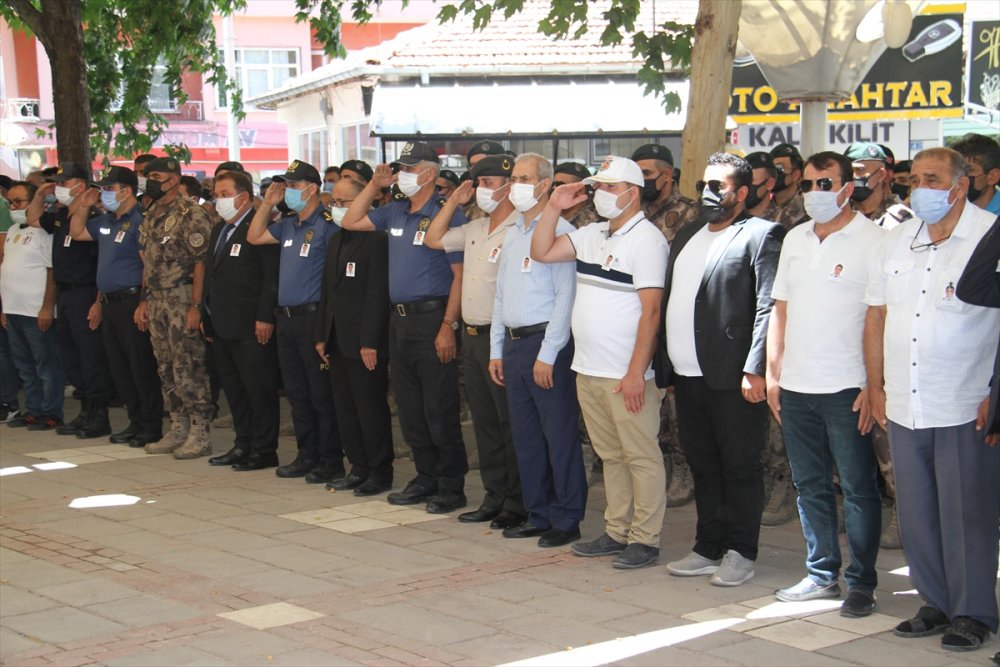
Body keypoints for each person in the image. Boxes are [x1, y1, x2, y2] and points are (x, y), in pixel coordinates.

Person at [865, 147, 1000, 652]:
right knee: (917, 510)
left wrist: (996, 393)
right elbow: (876, 315)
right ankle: (936, 602)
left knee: (967, 512)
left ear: (961, 185)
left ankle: (973, 611)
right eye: (915, 179)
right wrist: (874, 385)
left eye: (932, 179)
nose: (920, 188)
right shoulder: (896, 239)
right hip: (905, 398)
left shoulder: (989, 235)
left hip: (965, 398)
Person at [533, 156, 668, 568]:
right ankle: (617, 530)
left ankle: (645, 538)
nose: (601, 194)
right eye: (598, 187)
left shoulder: (647, 240)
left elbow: (651, 312)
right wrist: (554, 207)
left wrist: (635, 372)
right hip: (589, 368)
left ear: (633, 192)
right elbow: (542, 251)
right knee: (610, 455)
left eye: (610, 187)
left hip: (626, 374)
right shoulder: (591, 233)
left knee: (640, 456)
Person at [766, 151, 884, 617]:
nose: (815, 192)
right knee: (810, 485)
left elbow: (879, 318)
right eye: (808, 184)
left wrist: (874, 384)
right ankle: (821, 575)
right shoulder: (795, 237)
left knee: (858, 488)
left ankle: (862, 583)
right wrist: (773, 373)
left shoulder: (874, 240)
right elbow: (780, 308)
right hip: (796, 386)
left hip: (846, 388)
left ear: (847, 187)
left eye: (825, 183)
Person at [659, 152, 784, 586]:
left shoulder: (762, 235)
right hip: (686, 374)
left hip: (733, 376)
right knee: (703, 463)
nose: (708, 194)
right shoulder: (688, 233)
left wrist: (756, 369)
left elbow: (768, 306)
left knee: (740, 465)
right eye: (703, 186)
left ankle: (741, 552)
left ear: (743, 192)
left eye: (719, 186)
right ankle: (707, 546)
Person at [341, 141, 469, 514]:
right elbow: (350, 221)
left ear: (429, 173)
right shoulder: (395, 210)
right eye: (401, 168)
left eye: (410, 169)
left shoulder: (446, 213)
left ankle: (451, 484)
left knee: (439, 407)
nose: (402, 175)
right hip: (399, 320)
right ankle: (425, 477)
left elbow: (460, 276)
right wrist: (373, 185)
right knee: (410, 407)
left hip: (433, 317)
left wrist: (448, 325)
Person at [488, 153, 586, 543]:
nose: (516, 186)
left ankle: (567, 518)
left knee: (558, 437)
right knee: (526, 438)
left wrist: (548, 354)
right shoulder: (513, 231)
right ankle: (538, 512)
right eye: (514, 178)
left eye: (525, 178)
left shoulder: (561, 231)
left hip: (546, 345)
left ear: (545, 185)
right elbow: (501, 296)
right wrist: (496, 350)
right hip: (513, 346)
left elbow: (566, 298)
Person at [425, 154, 523, 525]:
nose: (481, 189)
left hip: (501, 339)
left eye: (488, 183)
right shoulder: (474, 227)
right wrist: (453, 200)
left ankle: (517, 501)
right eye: (479, 183)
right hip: (472, 336)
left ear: (509, 188)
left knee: (508, 422)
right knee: (485, 423)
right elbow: (433, 239)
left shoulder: (520, 228)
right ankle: (494, 496)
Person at [247, 160, 345, 483]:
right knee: (297, 392)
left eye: (292, 186)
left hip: (313, 318)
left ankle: (330, 459)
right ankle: (307, 454)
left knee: (321, 394)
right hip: (286, 320)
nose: (287, 191)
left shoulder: (328, 224)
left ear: (312, 189)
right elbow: (254, 236)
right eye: (286, 186)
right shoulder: (288, 224)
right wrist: (267, 204)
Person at [69, 167, 163, 447]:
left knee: (139, 365)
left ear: (127, 190)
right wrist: (83, 206)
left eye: (109, 189)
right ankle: (135, 421)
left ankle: (150, 425)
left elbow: (149, 266)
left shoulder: (139, 220)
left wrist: (144, 301)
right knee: (119, 367)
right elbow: (77, 232)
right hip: (109, 302)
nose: (105, 194)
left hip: (131, 301)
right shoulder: (106, 220)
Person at [316, 176, 394, 497]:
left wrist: (369, 341)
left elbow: (378, 294)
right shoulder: (337, 239)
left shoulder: (376, 239)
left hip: (364, 342)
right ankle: (358, 467)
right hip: (337, 338)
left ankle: (379, 471)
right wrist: (322, 335)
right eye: (333, 202)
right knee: (345, 409)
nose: (336, 208)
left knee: (369, 408)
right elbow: (328, 292)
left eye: (343, 202)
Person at [631, 143, 699, 508]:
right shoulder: (632, 212)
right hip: (637, 317)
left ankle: (685, 469)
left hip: (673, 320)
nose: (642, 181)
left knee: (675, 404)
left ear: (667, 175)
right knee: (645, 403)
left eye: (647, 174)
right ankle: (656, 468)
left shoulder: (691, 213)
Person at [25, 163, 114, 436]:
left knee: (90, 356)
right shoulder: (62, 215)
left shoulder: (95, 218)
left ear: (81, 187)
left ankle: (99, 415)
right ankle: (85, 411)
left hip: (86, 293)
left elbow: (102, 264)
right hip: (65, 294)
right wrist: (40, 194)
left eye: (64, 183)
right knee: (71, 356)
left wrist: (98, 301)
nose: (59, 188)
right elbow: (33, 218)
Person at [202, 170, 281, 471]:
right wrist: (206, 314)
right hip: (222, 323)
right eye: (216, 195)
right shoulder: (219, 229)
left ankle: (264, 449)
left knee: (258, 389)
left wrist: (265, 317)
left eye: (224, 195)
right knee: (235, 390)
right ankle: (243, 443)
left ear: (244, 197)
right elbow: (212, 275)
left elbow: (270, 277)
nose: (218, 200)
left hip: (250, 325)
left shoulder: (258, 227)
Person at [137, 157, 214, 459]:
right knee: (165, 365)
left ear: (174, 179)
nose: (150, 181)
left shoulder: (191, 213)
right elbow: (148, 261)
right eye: (148, 176)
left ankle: (200, 430)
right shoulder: (152, 212)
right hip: (157, 299)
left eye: (156, 176)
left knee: (188, 365)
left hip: (181, 297)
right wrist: (144, 299)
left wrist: (196, 305)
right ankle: (178, 426)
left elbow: (201, 262)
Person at [744, 151, 797, 527]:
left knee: (777, 419)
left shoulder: (791, 222)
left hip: (778, 328)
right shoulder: (733, 223)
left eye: (755, 181)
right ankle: (759, 480)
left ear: (770, 184)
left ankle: (783, 483)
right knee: (750, 422)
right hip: (739, 330)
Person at [1, 180, 62, 429]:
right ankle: (33, 410)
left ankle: (51, 412)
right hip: (13, 309)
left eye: (19, 202)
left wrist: (47, 307)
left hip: (36, 310)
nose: (13, 207)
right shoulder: (13, 230)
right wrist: (4, 309)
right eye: (10, 202)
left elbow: (51, 270)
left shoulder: (43, 232)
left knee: (45, 364)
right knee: (24, 365)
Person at [844, 143, 901, 228]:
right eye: (849, 171)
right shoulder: (837, 216)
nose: (852, 176)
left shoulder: (902, 219)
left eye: (859, 170)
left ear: (881, 175)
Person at [951, 133, 1000, 214]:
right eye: (954, 171)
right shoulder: (948, 211)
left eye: (967, 171)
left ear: (993, 177)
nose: (960, 178)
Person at [769, 143, 809, 228]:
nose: (773, 173)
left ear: (795, 175)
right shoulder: (760, 207)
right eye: (770, 169)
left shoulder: (808, 207)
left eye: (779, 168)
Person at [551, 162, 599, 228]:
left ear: (580, 190)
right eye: (552, 185)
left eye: (559, 185)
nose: (554, 189)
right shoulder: (549, 215)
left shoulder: (592, 225)